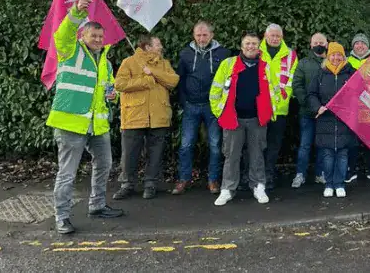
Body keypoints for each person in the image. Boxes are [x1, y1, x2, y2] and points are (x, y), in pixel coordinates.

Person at [47, 0, 122, 234]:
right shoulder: (70, 50)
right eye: (94, 36)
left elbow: (109, 91)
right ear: (83, 36)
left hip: (96, 125)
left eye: (101, 37)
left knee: (105, 164)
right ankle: (62, 217)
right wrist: (77, 11)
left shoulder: (106, 63)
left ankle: (97, 205)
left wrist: (113, 96)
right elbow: (62, 33)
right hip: (70, 122)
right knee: (67, 173)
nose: (98, 40)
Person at [210, 33, 273, 206]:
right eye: (247, 43)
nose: (251, 46)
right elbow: (215, 91)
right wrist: (219, 113)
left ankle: (258, 186)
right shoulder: (228, 64)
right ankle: (227, 189)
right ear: (241, 46)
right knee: (231, 155)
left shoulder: (266, 66)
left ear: (259, 47)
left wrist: (270, 112)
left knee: (257, 154)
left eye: (254, 43)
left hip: (257, 119)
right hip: (233, 118)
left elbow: (273, 92)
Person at [113, 35, 179, 200]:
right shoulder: (129, 62)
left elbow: (173, 81)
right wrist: (145, 80)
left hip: (159, 116)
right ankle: (127, 184)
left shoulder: (164, 64)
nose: (161, 47)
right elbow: (119, 84)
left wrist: (154, 72)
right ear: (147, 47)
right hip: (133, 116)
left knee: (155, 153)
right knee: (129, 153)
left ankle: (151, 184)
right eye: (158, 44)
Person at [174, 21, 231, 195]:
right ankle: (183, 179)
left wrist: (221, 104)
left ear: (212, 35)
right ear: (193, 35)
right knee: (186, 144)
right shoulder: (185, 54)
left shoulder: (224, 54)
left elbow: (228, 80)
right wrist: (184, 102)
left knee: (215, 145)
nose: (201, 38)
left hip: (212, 107)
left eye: (205, 34)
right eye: (198, 35)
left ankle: (213, 180)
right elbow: (180, 79)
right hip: (191, 106)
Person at [308, 42, 358, 198]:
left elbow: (360, 92)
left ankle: (340, 184)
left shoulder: (351, 73)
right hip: (326, 120)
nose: (336, 58)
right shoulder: (320, 73)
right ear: (328, 56)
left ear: (343, 56)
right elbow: (311, 94)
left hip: (345, 121)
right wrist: (317, 107)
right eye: (333, 55)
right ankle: (329, 184)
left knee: (343, 156)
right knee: (328, 156)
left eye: (339, 55)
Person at [260, 23, 298, 189]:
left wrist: (280, 103)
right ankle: (255, 176)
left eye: (278, 36)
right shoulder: (256, 51)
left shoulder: (290, 55)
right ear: (265, 36)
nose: (275, 39)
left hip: (280, 110)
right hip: (259, 108)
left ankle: (268, 175)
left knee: (274, 146)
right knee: (256, 145)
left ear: (282, 37)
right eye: (272, 36)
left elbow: (291, 82)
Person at [291, 33, 329, 188]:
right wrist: (308, 103)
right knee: (305, 145)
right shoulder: (304, 63)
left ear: (327, 44)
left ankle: (320, 174)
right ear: (311, 45)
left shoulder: (333, 61)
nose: (318, 44)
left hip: (326, 113)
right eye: (315, 42)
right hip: (307, 112)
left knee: (322, 145)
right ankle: (300, 174)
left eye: (321, 42)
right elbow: (297, 85)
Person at [345, 33, 370, 183]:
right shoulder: (346, 62)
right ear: (353, 46)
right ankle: (351, 170)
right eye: (357, 43)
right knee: (352, 142)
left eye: (363, 43)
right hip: (353, 107)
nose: (360, 46)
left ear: (367, 46)